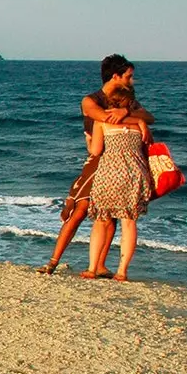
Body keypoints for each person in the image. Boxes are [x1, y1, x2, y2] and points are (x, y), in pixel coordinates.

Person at [36, 54, 153, 274]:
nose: (132, 81)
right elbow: (103, 118)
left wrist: (129, 113)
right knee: (81, 208)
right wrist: (137, 120)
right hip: (98, 160)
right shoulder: (91, 100)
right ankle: (53, 260)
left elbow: (150, 116)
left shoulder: (128, 101)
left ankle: (99, 265)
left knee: (109, 214)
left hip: (117, 159)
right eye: (128, 76)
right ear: (116, 76)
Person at [80, 86, 154, 280]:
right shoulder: (139, 124)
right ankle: (122, 271)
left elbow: (95, 151)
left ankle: (92, 268)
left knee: (101, 221)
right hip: (136, 174)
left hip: (110, 174)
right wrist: (138, 120)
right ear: (130, 104)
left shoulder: (101, 123)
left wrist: (88, 141)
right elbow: (148, 146)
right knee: (129, 223)